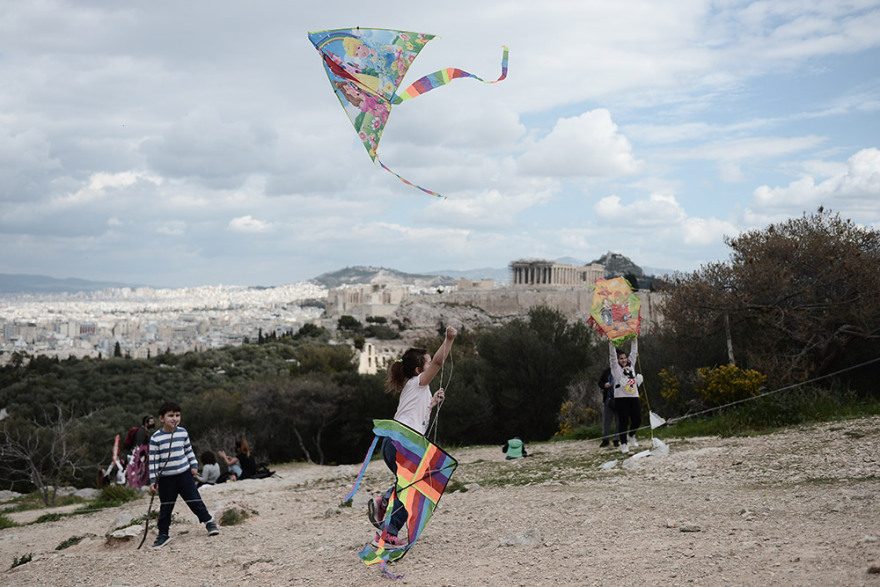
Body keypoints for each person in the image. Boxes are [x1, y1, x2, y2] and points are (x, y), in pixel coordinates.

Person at [367, 325, 457, 549]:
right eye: (427, 364)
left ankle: (385, 503)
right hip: (404, 444)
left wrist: (433, 402)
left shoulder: (414, 387)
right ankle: (387, 528)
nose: (431, 366)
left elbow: (416, 413)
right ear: (419, 370)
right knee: (413, 486)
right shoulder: (418, 382)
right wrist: (449, 339)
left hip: (395, 442)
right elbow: (438, 362)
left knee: (410, 484)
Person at [148, 401, 220, 548]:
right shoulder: (156, 438)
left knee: (195, 500)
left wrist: (193, 465)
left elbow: (188, 450)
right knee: (166, 506)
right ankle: (163, 534)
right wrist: (153, 480)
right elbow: (153, 462)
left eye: (177, 415)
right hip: (166, 479)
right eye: (170, 416)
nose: (175, 419)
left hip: (184, 475)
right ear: (161, 418)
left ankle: (209, 522)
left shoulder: (182, 432)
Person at [610, 339, 642, 454]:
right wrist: (611, 343)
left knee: (637, 419)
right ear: (618, 360)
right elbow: (612, 356)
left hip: (634, 396)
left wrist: (634, 340)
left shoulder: (631, 365)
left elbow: (634, 352)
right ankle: (623, 444)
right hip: (621, 398)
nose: (624, 360)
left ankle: (631, 435)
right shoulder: (615, 368)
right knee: (623, 421)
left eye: (625, 358)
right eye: (621, 358)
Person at [597, 367, 619, 448]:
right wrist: (604, 385)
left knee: (619, 420)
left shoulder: (624, 371)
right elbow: (600, 383)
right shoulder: (606, 371)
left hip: (620, 399)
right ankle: (605, 440)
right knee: (606, 420)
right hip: (608, 399)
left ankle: (616, 439)